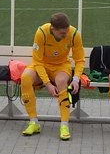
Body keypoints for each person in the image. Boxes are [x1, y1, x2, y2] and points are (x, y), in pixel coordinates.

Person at [20, 12, 85, 141]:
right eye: (62, 33)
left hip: (61, 66)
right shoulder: (42, 33)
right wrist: (47, 83)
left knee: (61, 81)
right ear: (52, 29)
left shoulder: (74, 34)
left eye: (67, 31)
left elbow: (79, 60)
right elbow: (37, 61)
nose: (65, 35)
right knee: (25, 78)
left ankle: (64, 125)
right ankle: (34, 122)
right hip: (42, 66)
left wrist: (76, 79)